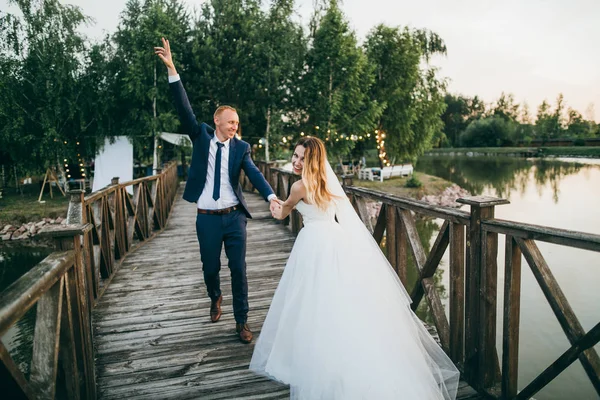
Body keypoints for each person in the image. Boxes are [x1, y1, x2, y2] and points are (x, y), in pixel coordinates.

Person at [250, 136, 460, 399]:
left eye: (302, 157)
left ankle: (319, 362)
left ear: (313, 161)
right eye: (295, 155)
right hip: (337, 242)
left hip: (314, 245)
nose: (296, 161)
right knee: (343, 303)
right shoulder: (329, 183)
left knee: (312, 303)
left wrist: (275, 206)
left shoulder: (298, 187)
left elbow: (282, 214)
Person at [155, 38, 280, 344]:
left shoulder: (242, 148)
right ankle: (215, 295)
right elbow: (183, 108)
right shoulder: (200, 137)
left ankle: (242, 322)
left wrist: (272, 196)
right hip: (207, 218)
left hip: (234, 217)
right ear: (217, 122)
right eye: (230, 122)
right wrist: (172, 69)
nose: (235, 126)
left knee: (239, 269)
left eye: (237, 122)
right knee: (210, 267)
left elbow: (253, 173)